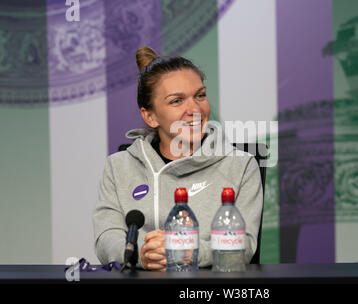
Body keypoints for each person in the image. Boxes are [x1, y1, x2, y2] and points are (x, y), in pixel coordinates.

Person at [92, 46, 263, 271]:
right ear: (150, 116)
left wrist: (183, 252)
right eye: (176, 101)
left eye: (200, 95)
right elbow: (107, 236)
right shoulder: (118, 166)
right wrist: (142, 254)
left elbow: (244, 245)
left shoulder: (241, 165)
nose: (194, 109)